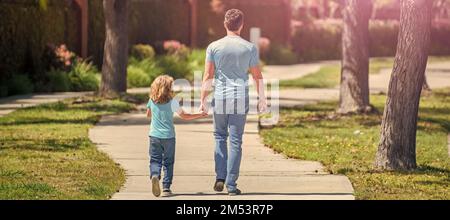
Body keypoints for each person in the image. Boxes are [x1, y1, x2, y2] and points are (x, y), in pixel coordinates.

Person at [199, 9, 267, 196]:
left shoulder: (213, 47)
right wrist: (262, 98)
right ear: (241, 25)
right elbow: (257, 76)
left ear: (225, 24)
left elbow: (208, 75)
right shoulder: (249, 48)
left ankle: (220, 177)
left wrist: (203, 99)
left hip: (220, 98)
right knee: (235, 141)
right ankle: (231, 184)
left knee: (220, 137)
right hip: (239, 99)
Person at [147, 75, 207, 197]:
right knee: (168, 162)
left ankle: (154, 175)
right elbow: (185, 116)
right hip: (169, 137)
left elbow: (148, 115)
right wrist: (200, 114)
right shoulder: (172, 102)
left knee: (155, 160)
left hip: (154, 136)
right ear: (169, 89)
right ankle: (166, 188)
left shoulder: (151, 100)